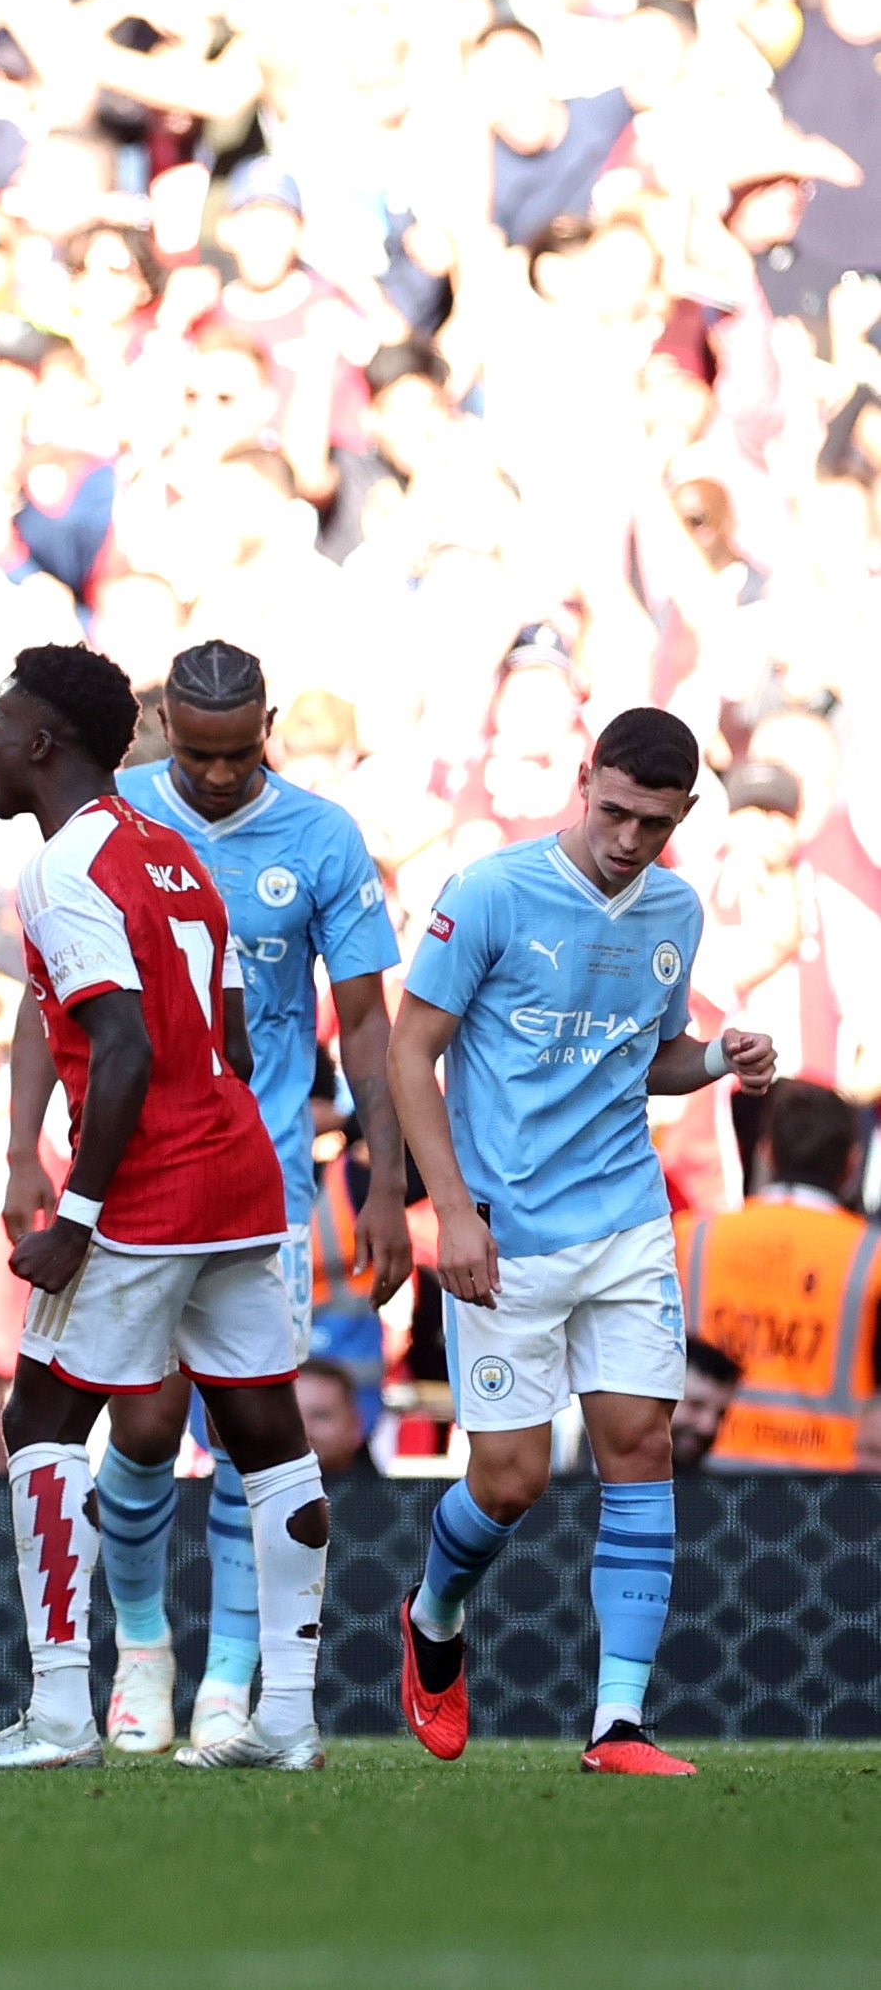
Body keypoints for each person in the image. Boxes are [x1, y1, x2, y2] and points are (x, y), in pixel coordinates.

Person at [0, 643, 332, 1774]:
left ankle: (60, 1714)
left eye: (0, 725)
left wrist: (80, 1212)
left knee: (38, 1425)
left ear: (44, 744)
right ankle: (288, 1718)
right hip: (241, 1176)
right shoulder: (177, 857)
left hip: (149, 1190)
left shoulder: (64, 872)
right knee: (266, 1439)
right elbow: (235, 1040)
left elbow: (120, 1045)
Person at [26, 640, 410, 1756]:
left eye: (241, 754)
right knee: (140, 1424)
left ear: (269, 727)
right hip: (133, 1175)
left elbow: (369, 1020)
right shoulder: (113, 821)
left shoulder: (323, 836)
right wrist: (18, 1150)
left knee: (256, 1430)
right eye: (197, 755)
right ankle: (140, 1650)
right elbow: (47, 993)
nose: (219, 777)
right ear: (162, 731)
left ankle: (233, 1688)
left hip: (268, 1176)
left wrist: (384, 1181)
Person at [390, 706, 776, 1778]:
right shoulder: (490, 893)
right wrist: (451, 1209)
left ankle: (617, 1725)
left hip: (622, 1224)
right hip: (504, 1236)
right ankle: (431, 1618)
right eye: (612, 812)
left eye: (651, 824)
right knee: (509, 1483)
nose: (625, 840)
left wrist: (718, 1060)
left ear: (682, 816)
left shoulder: (674, 911)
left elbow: (647, 1059)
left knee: (639, 1450)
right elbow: (410, 1054)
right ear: (582, 780)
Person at [674, 1079, 878, 1470]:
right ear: (852, 1162)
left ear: (766, 1153)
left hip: (702, 1470)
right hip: (827, 1488)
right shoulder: (872, 1255)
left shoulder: (689, 1237)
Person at [671, 1339, 743, 1475]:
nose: (709, 1427)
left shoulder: (710, 1491)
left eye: (721, 1414)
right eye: (695, 1405)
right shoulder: (619, 1479)